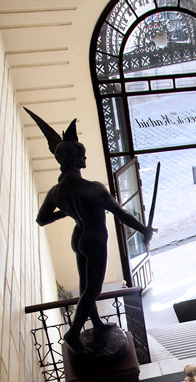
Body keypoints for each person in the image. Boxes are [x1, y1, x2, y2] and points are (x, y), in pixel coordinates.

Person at [25, 108, 156, 350]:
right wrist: (143, 230)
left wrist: (67, 212)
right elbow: (122, 214)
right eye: (82, 157)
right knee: (93, 288)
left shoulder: (57, 192)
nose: (85, 160)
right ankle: (73, 333)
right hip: (94, 239)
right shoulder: (93, 188)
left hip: (78, 237)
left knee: (85, 285)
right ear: (73, 160)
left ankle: (95, 322)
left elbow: (41, 219)